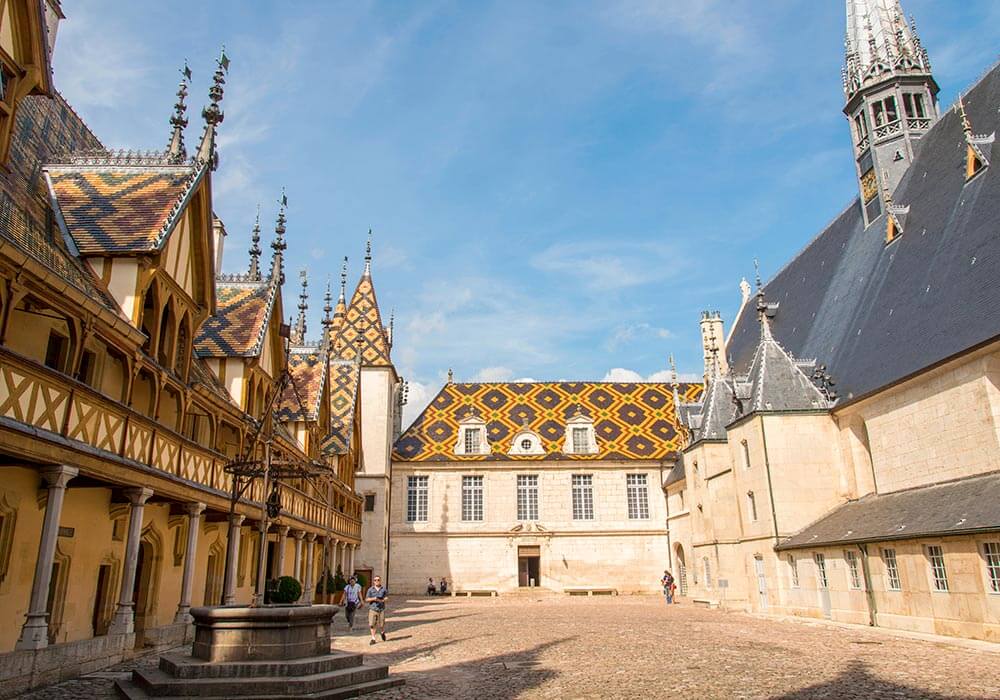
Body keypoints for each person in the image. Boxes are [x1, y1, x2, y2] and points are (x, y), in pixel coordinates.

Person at [366, 575, 388, 645]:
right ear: (373, 581)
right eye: (375, 580)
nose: (377, 581)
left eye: (378, 580)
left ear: (380, 581)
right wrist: (374, 599)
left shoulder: (383, 589)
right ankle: (373, 638)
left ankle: (382, 632)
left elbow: (387, 597)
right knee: (372, 624)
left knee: (381, 624)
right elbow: (366, 599)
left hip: (381, 609)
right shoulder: (370, 589)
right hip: (373, 608)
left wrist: (384, 600)